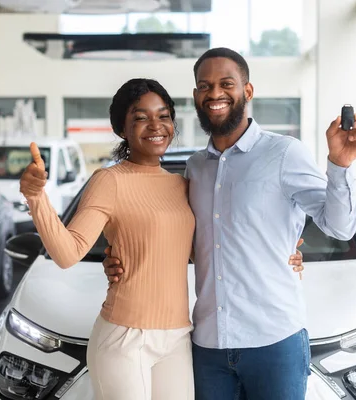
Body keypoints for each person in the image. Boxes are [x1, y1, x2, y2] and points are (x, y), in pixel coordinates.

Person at [103, 48, 356, 400]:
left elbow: (340, 228)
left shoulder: (284, 153)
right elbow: (180, 240)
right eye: (205, 86)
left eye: (226, 83)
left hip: (274, 343)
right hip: (207, 345)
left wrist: (340, 164)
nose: (215, 93)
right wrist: (121, 255)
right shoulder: (195, 167)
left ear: (247, 91)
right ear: (197, 97)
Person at [19, 77, 304, 400]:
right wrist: (36, 197)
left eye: (164, 115)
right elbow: (68, 253)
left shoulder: (181, 184)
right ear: (121, 129)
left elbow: (209, 247)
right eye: (141, 117)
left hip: (179, 337)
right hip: (125, 338)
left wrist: (282, 249)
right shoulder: (108, 181)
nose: (155, 125)